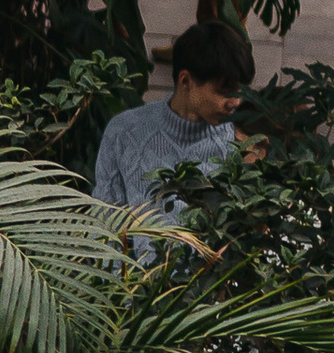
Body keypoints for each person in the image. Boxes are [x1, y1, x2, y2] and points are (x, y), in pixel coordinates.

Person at [91, 16, 256, 236]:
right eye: (224, 91)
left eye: (239, 91)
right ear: (186, 80)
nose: (235, 102)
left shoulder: (238, 142)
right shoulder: (125, 132)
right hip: (135, 269)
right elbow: (105, 227)